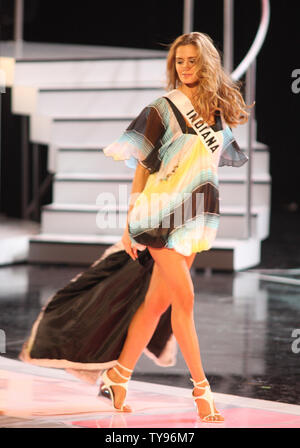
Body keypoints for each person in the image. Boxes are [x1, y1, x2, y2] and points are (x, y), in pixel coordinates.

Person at [20, 32, 250, 424]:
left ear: (206, 63)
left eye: (193, 60)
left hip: (194, 216)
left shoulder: (215, 111)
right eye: (180, 61)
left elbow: (209, 167)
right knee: (186, 299)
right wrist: (130, 221)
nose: (186, 67)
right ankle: (202, 391)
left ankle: (119, 375)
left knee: (156, 303)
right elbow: (143, 164)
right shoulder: (163, 108)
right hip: (158, 215)